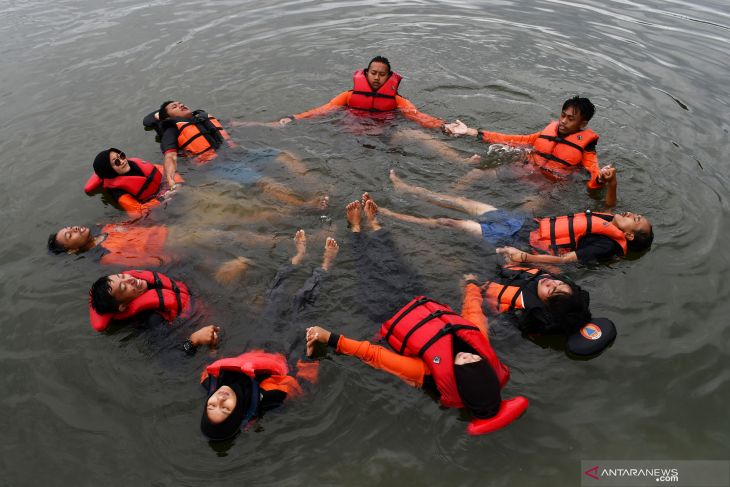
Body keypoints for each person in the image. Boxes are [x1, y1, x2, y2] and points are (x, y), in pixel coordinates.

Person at [305, 278, 528, 435]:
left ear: (459, 381)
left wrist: (330, 338)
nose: (468, 355)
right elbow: (473, 314)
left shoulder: (426, 372)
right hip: (416, 299)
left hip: (383, 311)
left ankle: (355, 231)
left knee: (367, 269)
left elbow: (375, 355)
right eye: (476, 359)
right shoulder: (480, 348)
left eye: (465, 363)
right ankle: (375, 226)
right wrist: (471, 286)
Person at [199, 229, 336, 441]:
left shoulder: (209, 381)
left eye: (212, 405)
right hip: (285, 351)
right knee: (301, 301)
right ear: (237, 412)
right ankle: (326, 265)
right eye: (225, 409)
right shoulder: (271, 397)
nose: (220, 399)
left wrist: (212, 346)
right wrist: (310, 354)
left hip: (256, 345)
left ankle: (297, 257)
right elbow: (304, 384)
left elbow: (211, 361)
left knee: (275, 298)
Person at [382, 167, 654, 265]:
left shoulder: (606, 245)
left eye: (636, 218)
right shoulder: (609, 222)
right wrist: (613, 181)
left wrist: (525, 257)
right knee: (464, 202)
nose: (632, 213)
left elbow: (565, 260)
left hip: (520, 239)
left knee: (450, 222)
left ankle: (391, 214)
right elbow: (608, 207)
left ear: (629, 235)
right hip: (526, 223)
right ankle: (408, 189)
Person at [264, 56, 478, 164]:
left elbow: (418, 117)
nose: (376, 77)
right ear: (365, 74)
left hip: (384, 137)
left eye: (381, 74)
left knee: (416, 134)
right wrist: (293, 118)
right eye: (373, 73)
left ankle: (460, 161)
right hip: (351, 137)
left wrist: (443, 126)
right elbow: (324, 110)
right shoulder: (348, 96)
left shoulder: (397, 100)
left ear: (389, 77)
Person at [445, 96, 610, 190]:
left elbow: (593, 172)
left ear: (583, 124)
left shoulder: (586, 148)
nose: (563, 121)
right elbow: (513, 140)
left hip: (549, 185)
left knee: (528, 208)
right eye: (563, 115)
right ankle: (446, 195)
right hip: (525, 171)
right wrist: (471, 131)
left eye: (570, 118)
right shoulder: (546, 133)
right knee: (476, 172)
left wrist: (601, 179)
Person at [47, 222, 268, 284]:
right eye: (69, 236)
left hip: (173, 233)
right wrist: (180, 255)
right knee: (227, 236)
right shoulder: (107, 256)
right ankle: (273, 245)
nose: (74, 229)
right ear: (73, 250)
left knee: (228, 234)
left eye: (70, 228)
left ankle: (268, 245)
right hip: (175, 244)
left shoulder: (104, 227)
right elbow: (149, 261)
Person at [88, 269, 220, 355]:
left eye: (122, 276)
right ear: (123, 306)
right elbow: (173, 358)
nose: (130, 279)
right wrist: (193, 340)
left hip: (205, 304)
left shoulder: (145, 281)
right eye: (124, 287)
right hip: (211, 333)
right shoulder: (152, 320)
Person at [84, 148, 182, 217]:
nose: (122, 161)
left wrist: (176, 183)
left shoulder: (135, 163)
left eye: (121, 156)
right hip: (158, 206)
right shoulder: (118, 191)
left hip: (168, 191)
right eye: (116, 162)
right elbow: (137, 212)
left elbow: (163, 169)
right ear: (109, 170)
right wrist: (161, 199)